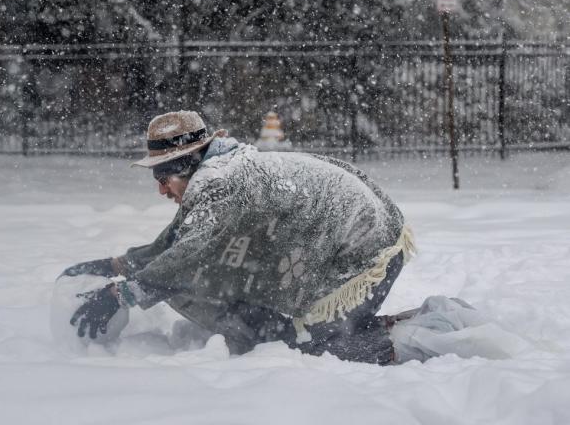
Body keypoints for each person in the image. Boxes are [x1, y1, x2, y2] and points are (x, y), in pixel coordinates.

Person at [63, 110, 417, 364]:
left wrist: (121, 294)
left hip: (366, 255)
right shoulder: (219, 172)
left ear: (185, 166)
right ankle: (378, 328)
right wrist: (117, 264)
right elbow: (178, 241)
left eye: (162, 178)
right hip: (364, 236)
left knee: (308, 349)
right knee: (289, 328)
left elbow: (189, 259)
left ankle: (429, 336)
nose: (160, 190)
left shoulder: (219, 183)